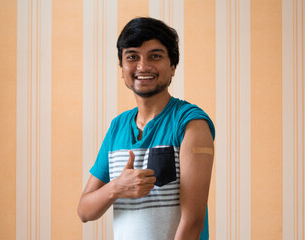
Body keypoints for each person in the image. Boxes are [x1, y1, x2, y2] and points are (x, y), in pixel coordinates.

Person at [77, 17, 215, 240]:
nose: (143, 66)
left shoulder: (191, 123)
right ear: (122, 69)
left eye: (155, 56)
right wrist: (117, 187)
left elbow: (193, 222)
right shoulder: (117, 126)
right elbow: (84, 211)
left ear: (172, 67)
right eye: (132, 56)